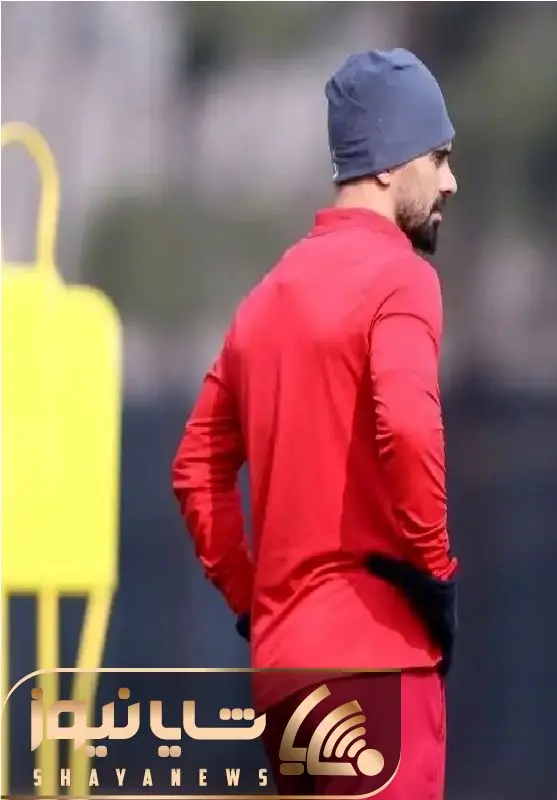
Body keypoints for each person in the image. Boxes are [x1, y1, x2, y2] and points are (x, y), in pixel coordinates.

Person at [171, 48, 460, 800]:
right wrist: (435, 576)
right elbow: (407, 428)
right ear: (391, 163)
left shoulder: (267, 297)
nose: (450, 182)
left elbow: (195, 468)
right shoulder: (402, 279)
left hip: (286, 682)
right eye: (439, 157)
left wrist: (254, 599)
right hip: (378, 665)